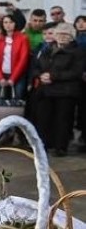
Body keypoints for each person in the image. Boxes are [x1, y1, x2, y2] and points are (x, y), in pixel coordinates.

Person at [34, 23, 83, 157]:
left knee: (63, 120)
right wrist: (41, 75)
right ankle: (43, 145)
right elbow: (37, 65)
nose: (62, 37)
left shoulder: (77, 51)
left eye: (66, 35)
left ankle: (60, 147)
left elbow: (76, 72)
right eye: (60, 34)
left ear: (72, 37)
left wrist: (53, 76)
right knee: (44, 119)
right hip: (46, 90)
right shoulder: (47, 49)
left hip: (65, 91)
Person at [0, 14, 30, 100]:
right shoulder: (0, 39)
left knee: (17, 99)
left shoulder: (22, 38)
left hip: (18, 76)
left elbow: (23, 59)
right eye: (5, 22)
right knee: (1, 99)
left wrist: (13, 78)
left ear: (15, 23)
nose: (8, 25)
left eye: (11, 22)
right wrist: (0, 78)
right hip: (2, 75)